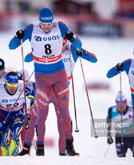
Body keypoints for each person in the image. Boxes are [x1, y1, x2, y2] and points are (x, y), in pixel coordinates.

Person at [9, 8, 82, 156]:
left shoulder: (60, 26)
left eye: (49, 24)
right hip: (42, 78)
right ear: (39, 21)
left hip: (60, 76)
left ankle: (70, 146)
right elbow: (11, 46)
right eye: (44, 24)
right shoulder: (31, 29)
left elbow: (79, 44)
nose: (47, 27)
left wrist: (72, 36)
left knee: (64, 111)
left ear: (52, 21)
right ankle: (40, 149)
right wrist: (18, 37)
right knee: (42, 113)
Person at [19, 38, 97, 156]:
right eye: (58, 45)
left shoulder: (72, 51)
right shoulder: (48, 48)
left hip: (60, 93)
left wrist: (82, 52)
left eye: (62, 45)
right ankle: (26, 149)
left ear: (66, 44)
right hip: (45, 90)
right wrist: (35, 51)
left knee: (63, 122)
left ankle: (63, 153)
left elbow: (94, 59)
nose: (59, 47)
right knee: (34, 118)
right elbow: (27, 58)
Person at [0, 71, 35, 156]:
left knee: (15, 135)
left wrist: (30, 114)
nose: (12, 88)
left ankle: (13, 158)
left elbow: (33, 97)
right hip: (2, 115)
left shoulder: (22, 88)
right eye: (10, 85)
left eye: (15, 85)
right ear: (5, 83)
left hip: (17, 114)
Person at [106, 92, 134, 157]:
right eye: (118, 102)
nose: (121, 105)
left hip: (133, 137)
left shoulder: (133, 109)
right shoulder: (111, 110)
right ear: (115, 102)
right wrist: (109, 136)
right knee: (121, 159)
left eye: (123, 102)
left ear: (126, 102)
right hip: (120, 137)